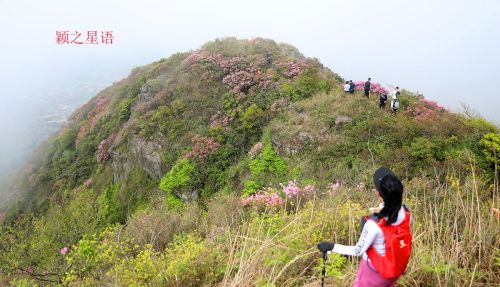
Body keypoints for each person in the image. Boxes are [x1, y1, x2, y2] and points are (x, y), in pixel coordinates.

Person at [317, 167, 412, 287]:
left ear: (378, 193)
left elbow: (358, 251)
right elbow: (392, 218)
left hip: (374, 274)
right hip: (394, 272)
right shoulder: (407, 215)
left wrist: (331, 246)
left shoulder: (373, 224)